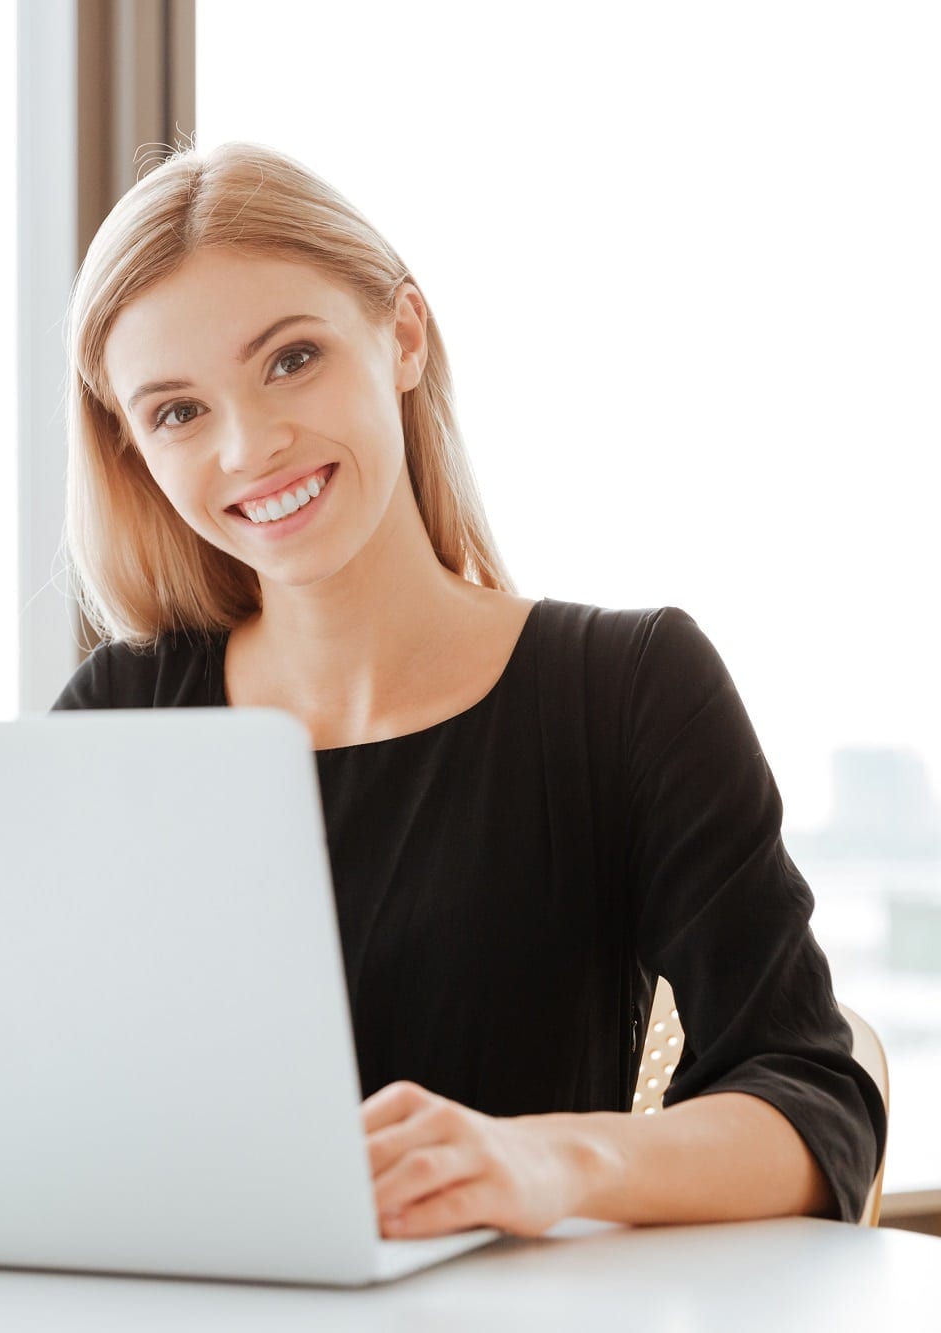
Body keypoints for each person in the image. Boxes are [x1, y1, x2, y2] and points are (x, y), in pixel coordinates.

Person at [48, 140, 885, 1237]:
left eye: (290, 359)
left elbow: (813, 1100)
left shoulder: (625, 691)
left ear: (400, 335)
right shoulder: (120, 716)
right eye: (176, 412)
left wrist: (540, 1162)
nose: (250, 445)